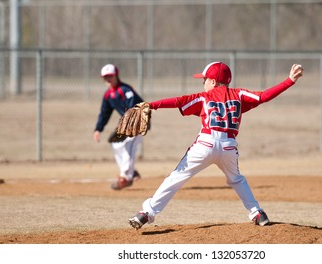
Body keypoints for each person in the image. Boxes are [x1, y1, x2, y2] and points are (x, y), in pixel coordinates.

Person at [128, 61, 304, 229]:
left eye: (204, 80)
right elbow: (264, 96)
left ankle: (147, 213)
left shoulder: (205, 97)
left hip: (206, 144)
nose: (203, 83)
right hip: (228, 146)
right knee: (237, 180)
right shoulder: (239, 95)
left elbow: (179, 101)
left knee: (176, 178)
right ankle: (257, 213)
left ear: (213, 81)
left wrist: (152, 105)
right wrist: (289, 81)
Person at [93, 64, 144, 190]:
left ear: (116, 75)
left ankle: (125, 177)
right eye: (105, 77)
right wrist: (98, 129)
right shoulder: (108, 95)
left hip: (139, 120)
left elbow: (133, 106)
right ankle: (130, 171)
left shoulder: (125, 90)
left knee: (129, 145)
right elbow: (104, 113)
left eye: (110, 76)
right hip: (126, 123)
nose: (108, 79)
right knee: (115, 143)